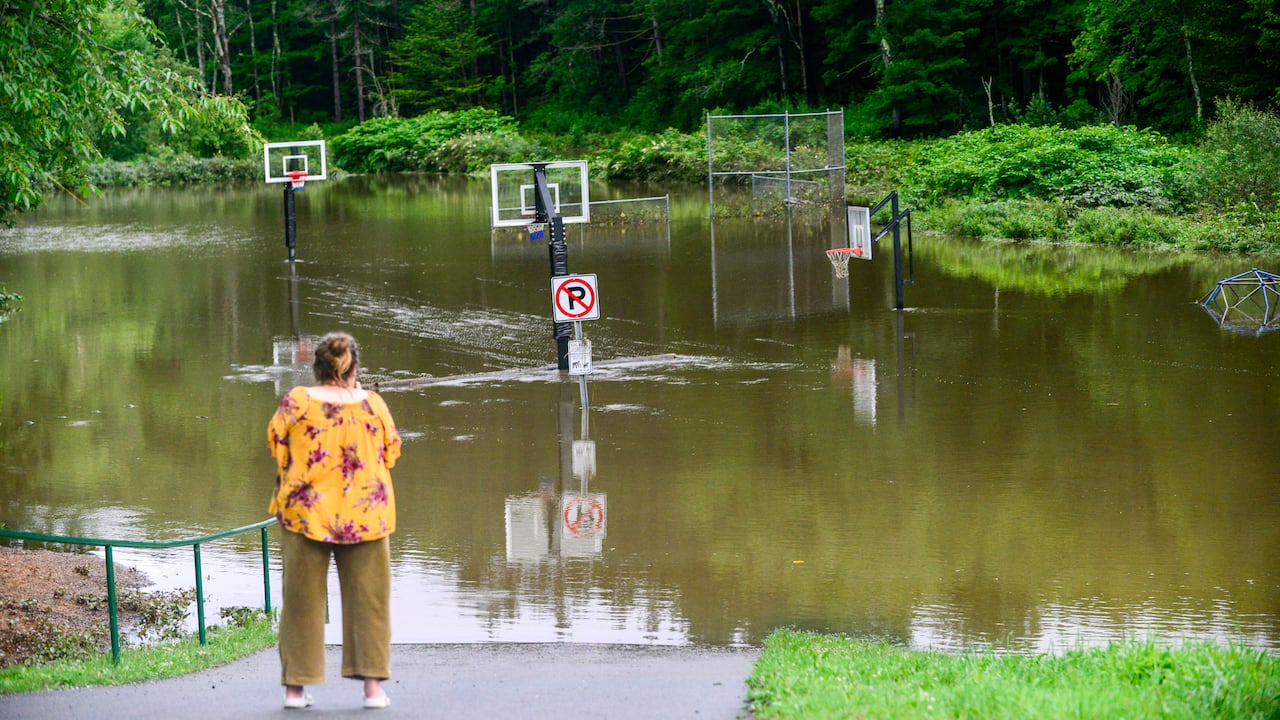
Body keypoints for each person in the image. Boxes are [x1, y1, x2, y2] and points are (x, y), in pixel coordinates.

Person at [267, 332, 402, 710]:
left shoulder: (297, 401)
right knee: (370, 603)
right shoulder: (373, 404)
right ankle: (372, 691)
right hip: (365, 514)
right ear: (354, 369)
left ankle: (295, 691)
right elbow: (391, 453)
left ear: (317, 368)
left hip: (305, 512)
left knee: (300, 602)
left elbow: (276, 444)